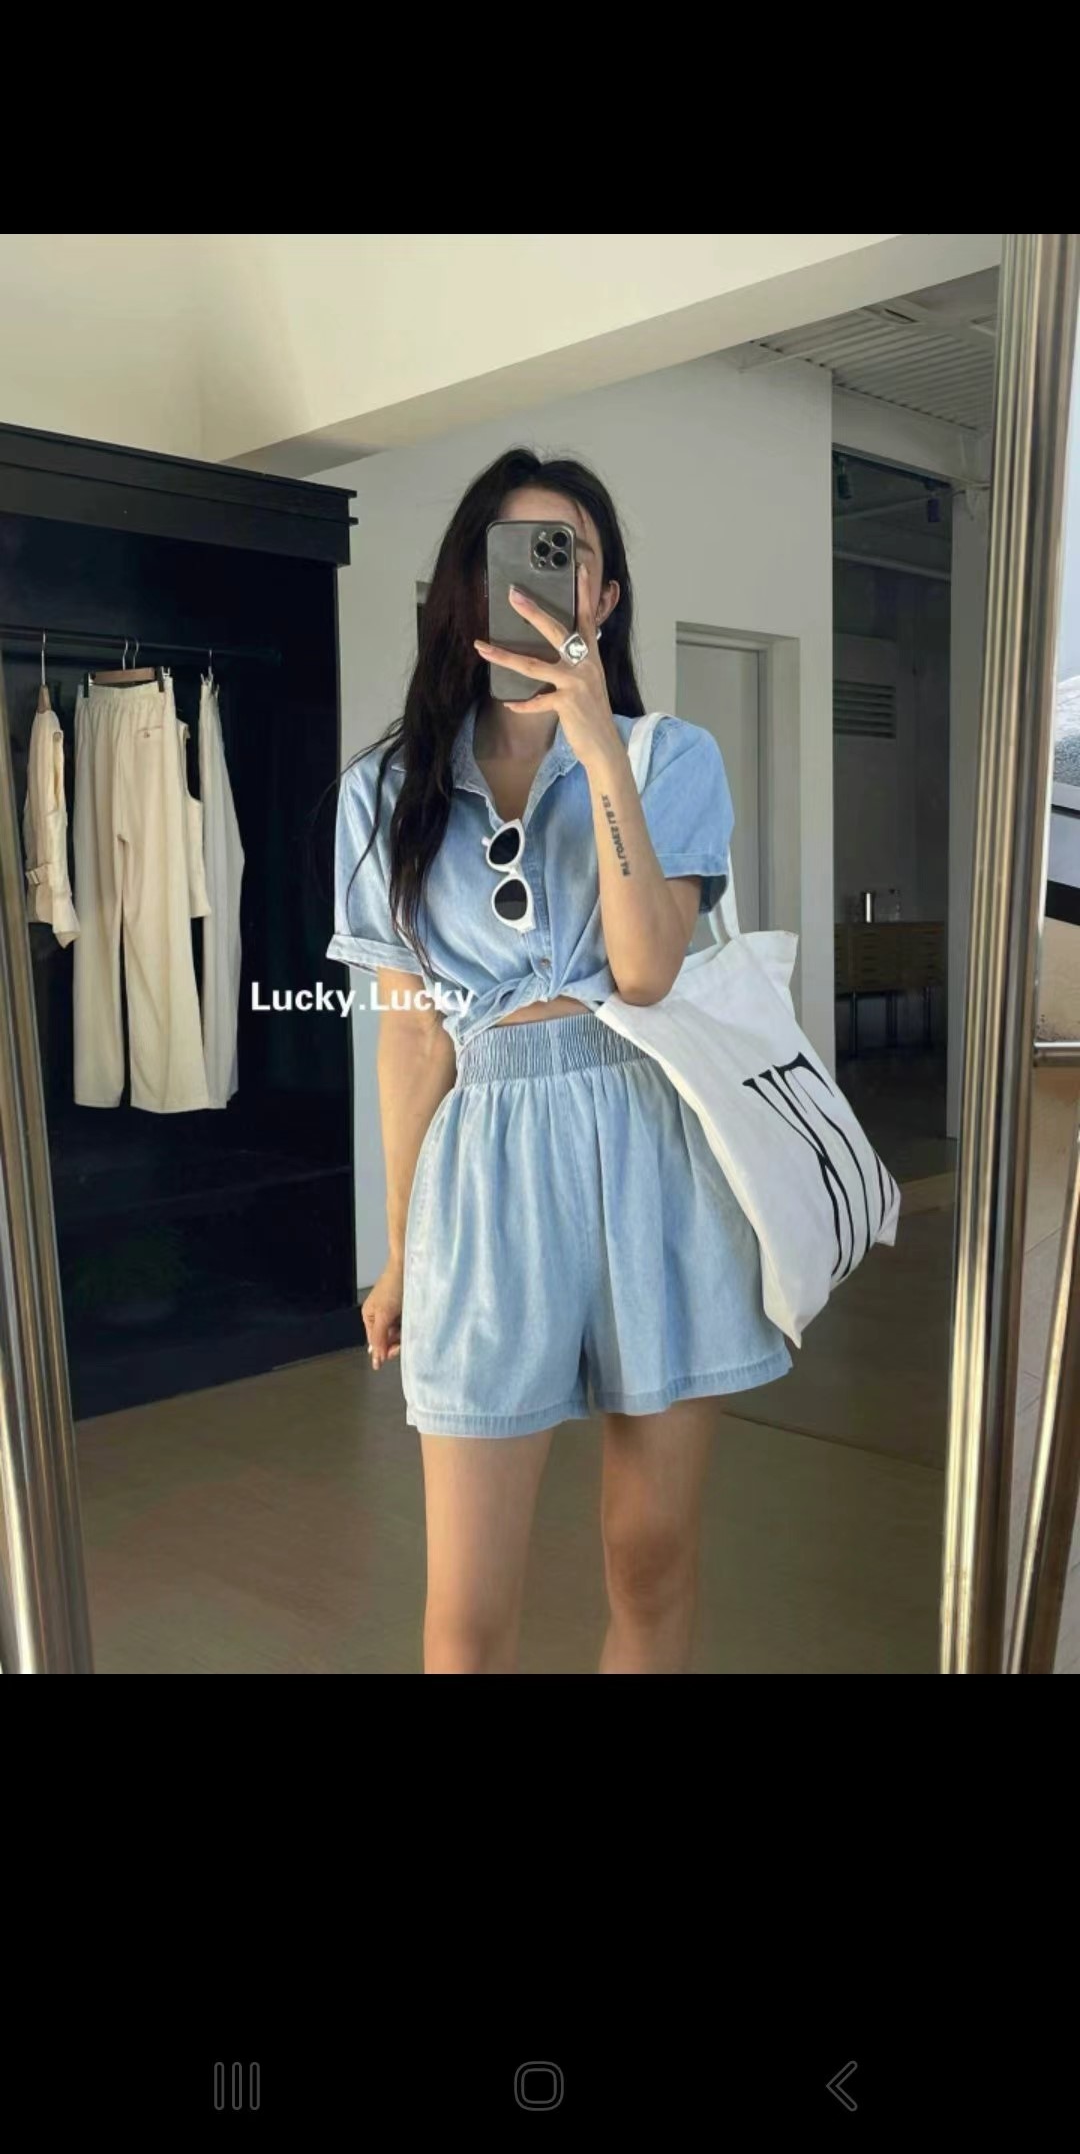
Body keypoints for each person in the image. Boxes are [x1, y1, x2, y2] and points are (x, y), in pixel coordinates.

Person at [328, 448, 791, 1674]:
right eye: (517, 553)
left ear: (606, 594)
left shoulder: (671, 757)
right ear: (470, 585)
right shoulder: (385, 793)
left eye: (569, 553)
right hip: (483, 1174)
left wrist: (596, 743)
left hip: (653, 1156)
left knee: (651, 1563)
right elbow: (412, 1035)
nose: (544, 578)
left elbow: (643, 971)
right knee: (466, 1613)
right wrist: (400, 1250)